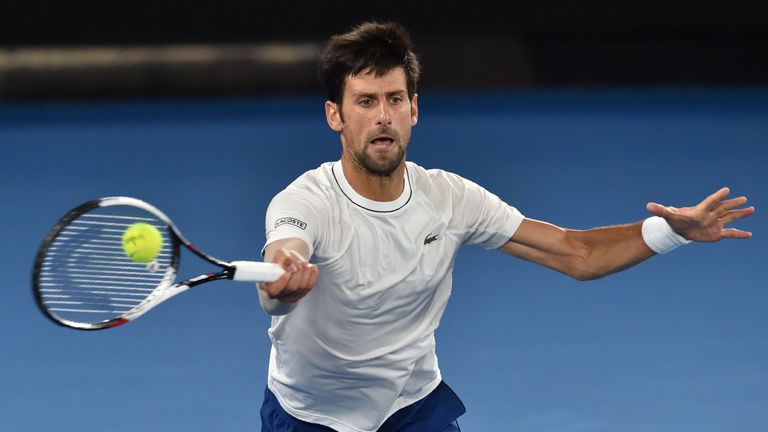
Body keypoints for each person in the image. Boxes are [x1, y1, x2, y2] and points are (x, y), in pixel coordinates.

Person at [256, 21, 754, 432]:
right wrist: (284, 284)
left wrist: (672, 232)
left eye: (395, 99)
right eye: (365, 102)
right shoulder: (305, 201)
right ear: (335, 116)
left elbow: (575, 253)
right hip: (310, 416)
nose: (382, 117)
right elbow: (281, 265)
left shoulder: (450, 198)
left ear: (414, 109)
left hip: (412, 407)